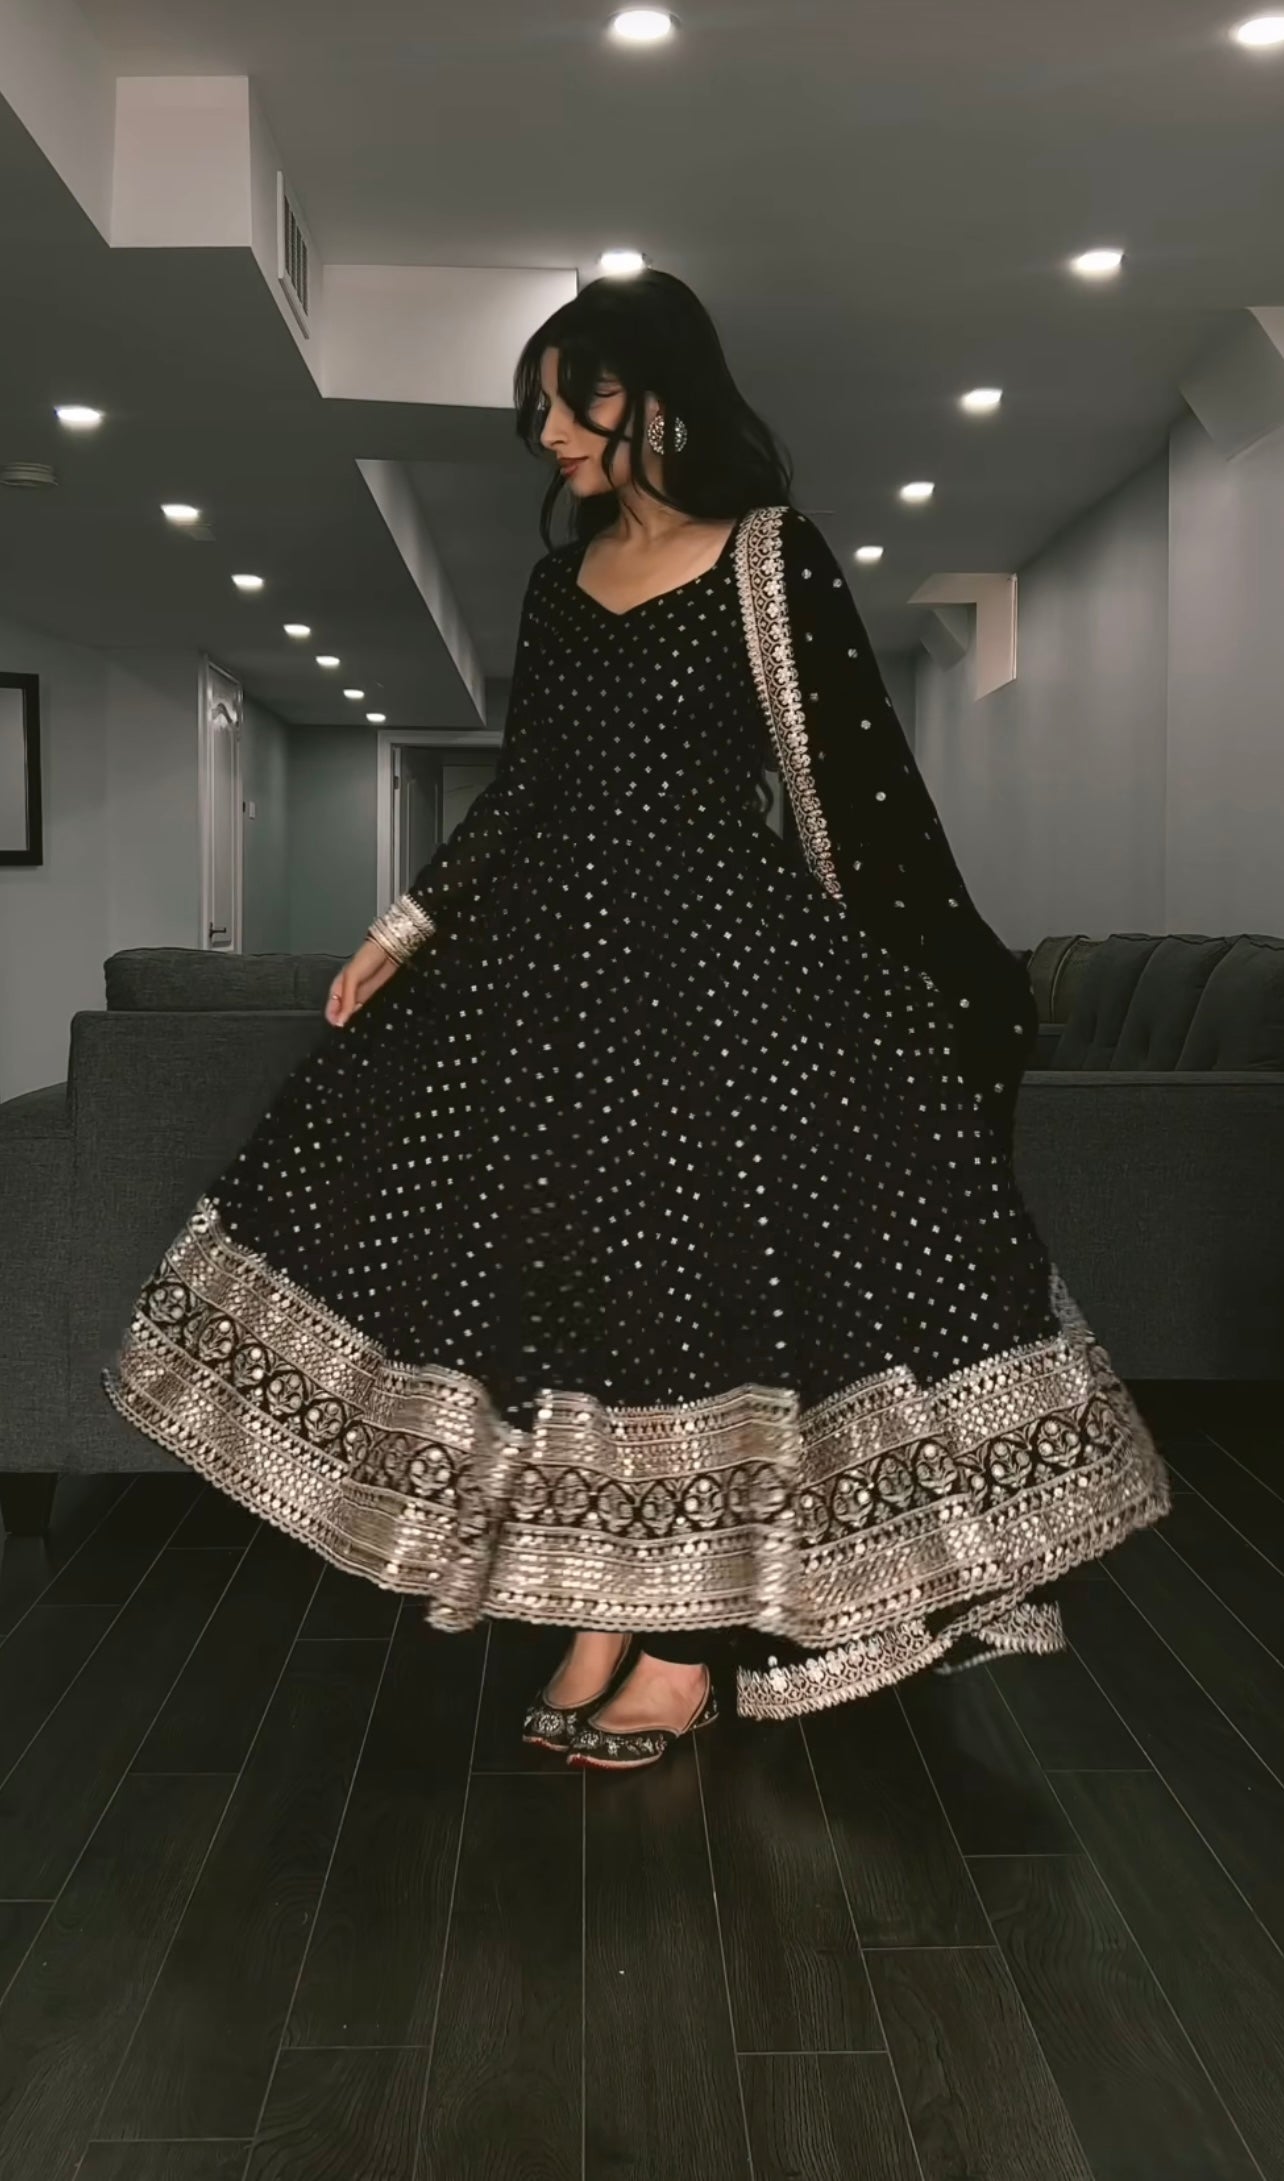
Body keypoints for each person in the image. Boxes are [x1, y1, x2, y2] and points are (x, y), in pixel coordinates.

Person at [103, 269, 1168, 1771]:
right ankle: (604, 1601)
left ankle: (686, 1645)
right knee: (569, 1277)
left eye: (570, 396)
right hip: (553, 971)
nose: (546, 431)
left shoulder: (770, 557)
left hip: (724, 974)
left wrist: (934, 984)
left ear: (658, 391)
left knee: (712, 1288)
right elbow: (528, 784)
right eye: (536, 403)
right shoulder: (563, 583)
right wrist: (405, 925)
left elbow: (855, 787)